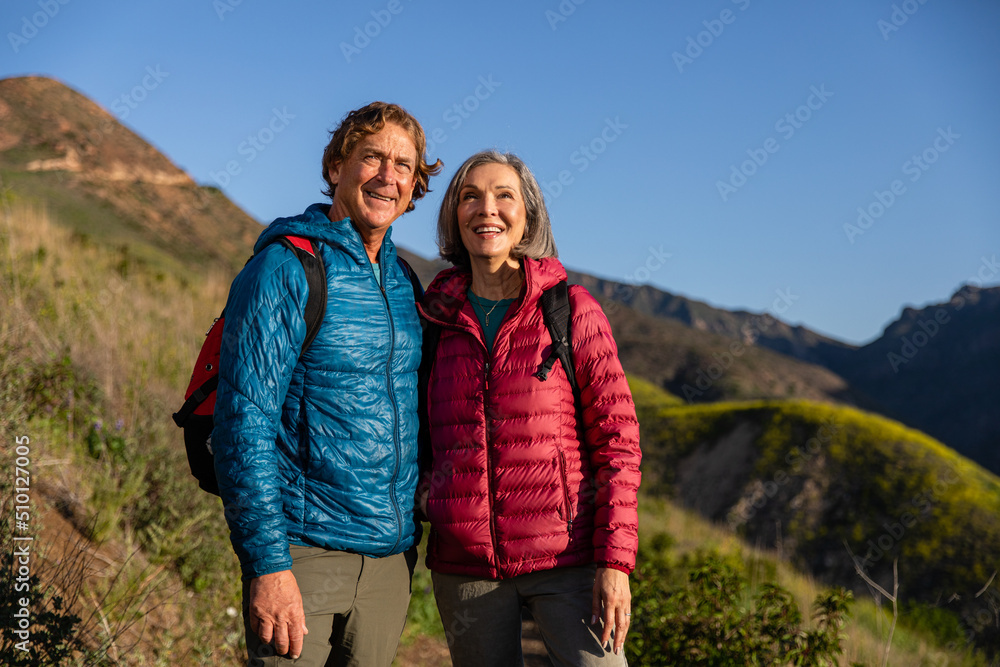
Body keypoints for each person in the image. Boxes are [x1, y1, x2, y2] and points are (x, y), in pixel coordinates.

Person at [211, 101, 442, 666]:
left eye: (404, 166)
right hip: (303, 557)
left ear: (414, 188)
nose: (388, 176)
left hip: (389, 564)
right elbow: (244, 421)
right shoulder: (288, 267)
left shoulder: (405, 281)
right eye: (372, 158)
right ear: (337, 167)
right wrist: (269, 565)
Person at [417, 150, 642, 665]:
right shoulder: (435, 318)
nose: (486, 209)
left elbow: (619, 445)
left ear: (528, 214)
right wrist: (429, 494)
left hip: (568, 558)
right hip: (465, 566)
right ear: (454, 214)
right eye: (469, 196)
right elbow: (412, 428)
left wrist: (615, 564)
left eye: (504, 195)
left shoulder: (570, 309)